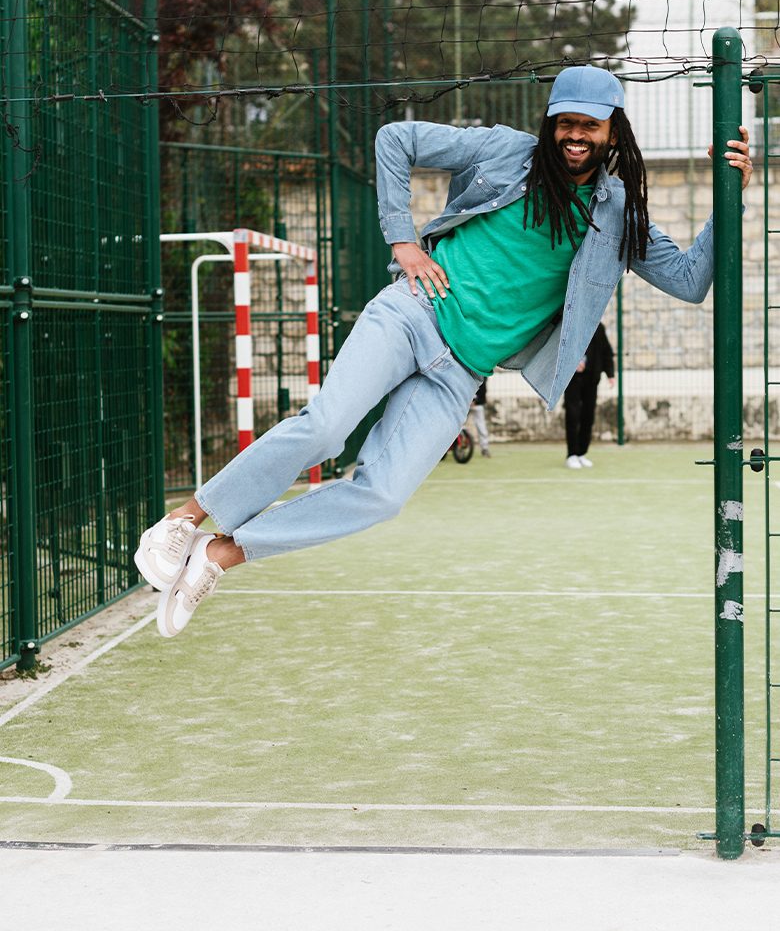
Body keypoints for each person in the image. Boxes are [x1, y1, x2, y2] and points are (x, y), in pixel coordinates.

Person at [135, 65, 753, 638]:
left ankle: (218, 554)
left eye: (588, 125)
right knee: (325, 428)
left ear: (613, 130)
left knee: (381, 495)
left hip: (459, 373)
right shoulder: (506, 151)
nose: (574, 135)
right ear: (551, 122)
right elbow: (395, 139)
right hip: (412, 314)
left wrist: (732, 193)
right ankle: (182, 522)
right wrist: (403, 240)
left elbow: (691, 281)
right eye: (565, 122)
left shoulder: (620, 213)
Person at [563, 322, 615, 469]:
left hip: (591, 379)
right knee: (572, 415)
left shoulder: (599, 327)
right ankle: (572, 454)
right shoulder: (569, 324)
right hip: (571, 379)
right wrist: (573, 362)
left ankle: (581, 453)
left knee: (588, 416)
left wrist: (610, 374)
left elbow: (606, 351)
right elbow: (561, 348)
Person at [470, 379, 491, 457]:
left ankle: (485, 448)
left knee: (481, 426)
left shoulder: (482, 376)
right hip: (465, 403)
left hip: (477, 404)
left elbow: (483, 391)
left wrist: (476, 402)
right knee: (457, 426)